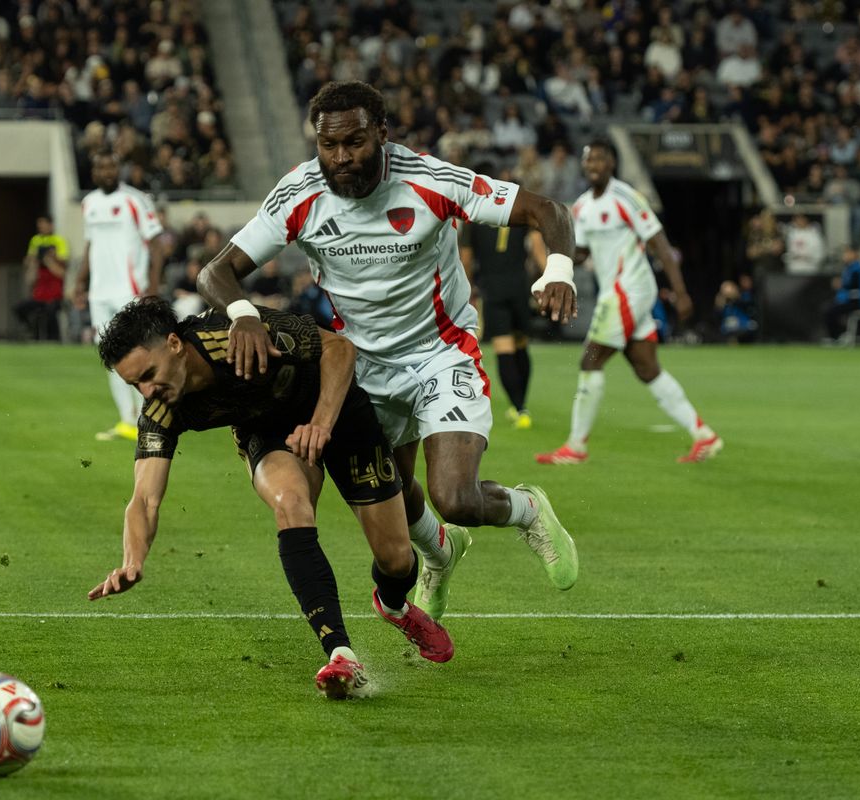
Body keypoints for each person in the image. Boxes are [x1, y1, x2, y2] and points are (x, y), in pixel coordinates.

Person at [195, 81, 579, 621]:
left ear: (382, 133)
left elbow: (548, 210)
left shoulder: (430, 179)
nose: (341, 158)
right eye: (328, 146)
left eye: (353, 142)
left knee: (456, 497)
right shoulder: (299, 193)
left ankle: (527, 508)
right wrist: (243, 315)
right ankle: (440, 556)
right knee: (393, 492)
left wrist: (557, 271)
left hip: (440, 351)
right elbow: (216, 272)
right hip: (364, 366)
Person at [90, 297, 453, 699]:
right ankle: (341, 653)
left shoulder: (232, 337)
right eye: (134, 385)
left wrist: (320, 424)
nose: (147, 391)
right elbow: (143, 499)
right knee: (290, 502)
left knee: (397, 559)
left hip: (338, 411)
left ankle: (393, 604)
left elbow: (339, 349)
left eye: (148, 374)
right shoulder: (161, 409)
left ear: (174, 344)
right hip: (268, 431)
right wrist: (133, 560)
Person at [536, 139, 723, 466]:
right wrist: (556, 256)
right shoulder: (581, 207)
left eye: (600, 158)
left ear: (612, 164)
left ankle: (576, 447)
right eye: (589, 158)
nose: (593, 164)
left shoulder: (626, 197)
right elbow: (581, 253)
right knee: (647, 367)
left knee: (590, 360)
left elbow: (660, 245)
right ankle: (704, 436)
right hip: (621, 291)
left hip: (628, 290)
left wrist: (681, 292)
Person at [72, 153, 165, 442]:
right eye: (101, 166)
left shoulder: (135, 200)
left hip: (130, 289)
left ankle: (147, 417)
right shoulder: (90, 204)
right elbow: (90, 244)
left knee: (138, 352)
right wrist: (80, 280)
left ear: (119, 169)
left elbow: (157, 243)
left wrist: (152, 285)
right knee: (110, 356)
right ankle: (127, 420)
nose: (107, 171)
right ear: (94, 171)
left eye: (112, 166)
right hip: (100, 292)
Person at [460, 164, 547, 430]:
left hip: (493, 288)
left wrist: (468, 290)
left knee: (504, 348)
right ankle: (521, 405)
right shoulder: (520, 209)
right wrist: (549, 277)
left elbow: (466, 257)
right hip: (519, 286)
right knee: (521, 344)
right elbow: (536, 247)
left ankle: (519, 408)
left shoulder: (474, 214)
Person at [824, 244, 860, 341]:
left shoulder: (858, 269)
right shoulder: (849, 269)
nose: (844, 255)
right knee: (829, 309)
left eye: (847, 253)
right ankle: (839, 336)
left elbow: (854, 287)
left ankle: (836, 337)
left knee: (831, 311)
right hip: (851, 300)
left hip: (858, 302)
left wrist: (841, 285)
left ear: (855, 254)